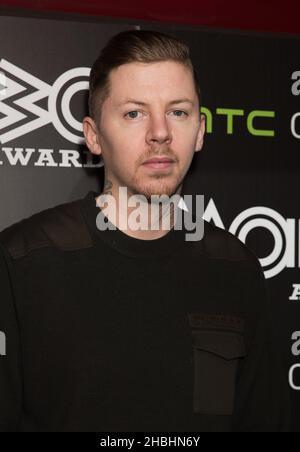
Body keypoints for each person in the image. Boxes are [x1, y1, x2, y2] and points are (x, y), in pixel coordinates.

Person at [0, 29, 290, 432]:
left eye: (178, 111)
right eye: (134, 112)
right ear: (93, 135)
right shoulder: (21, 262)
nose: (160, 132)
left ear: (201, 130)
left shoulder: (236, 267)